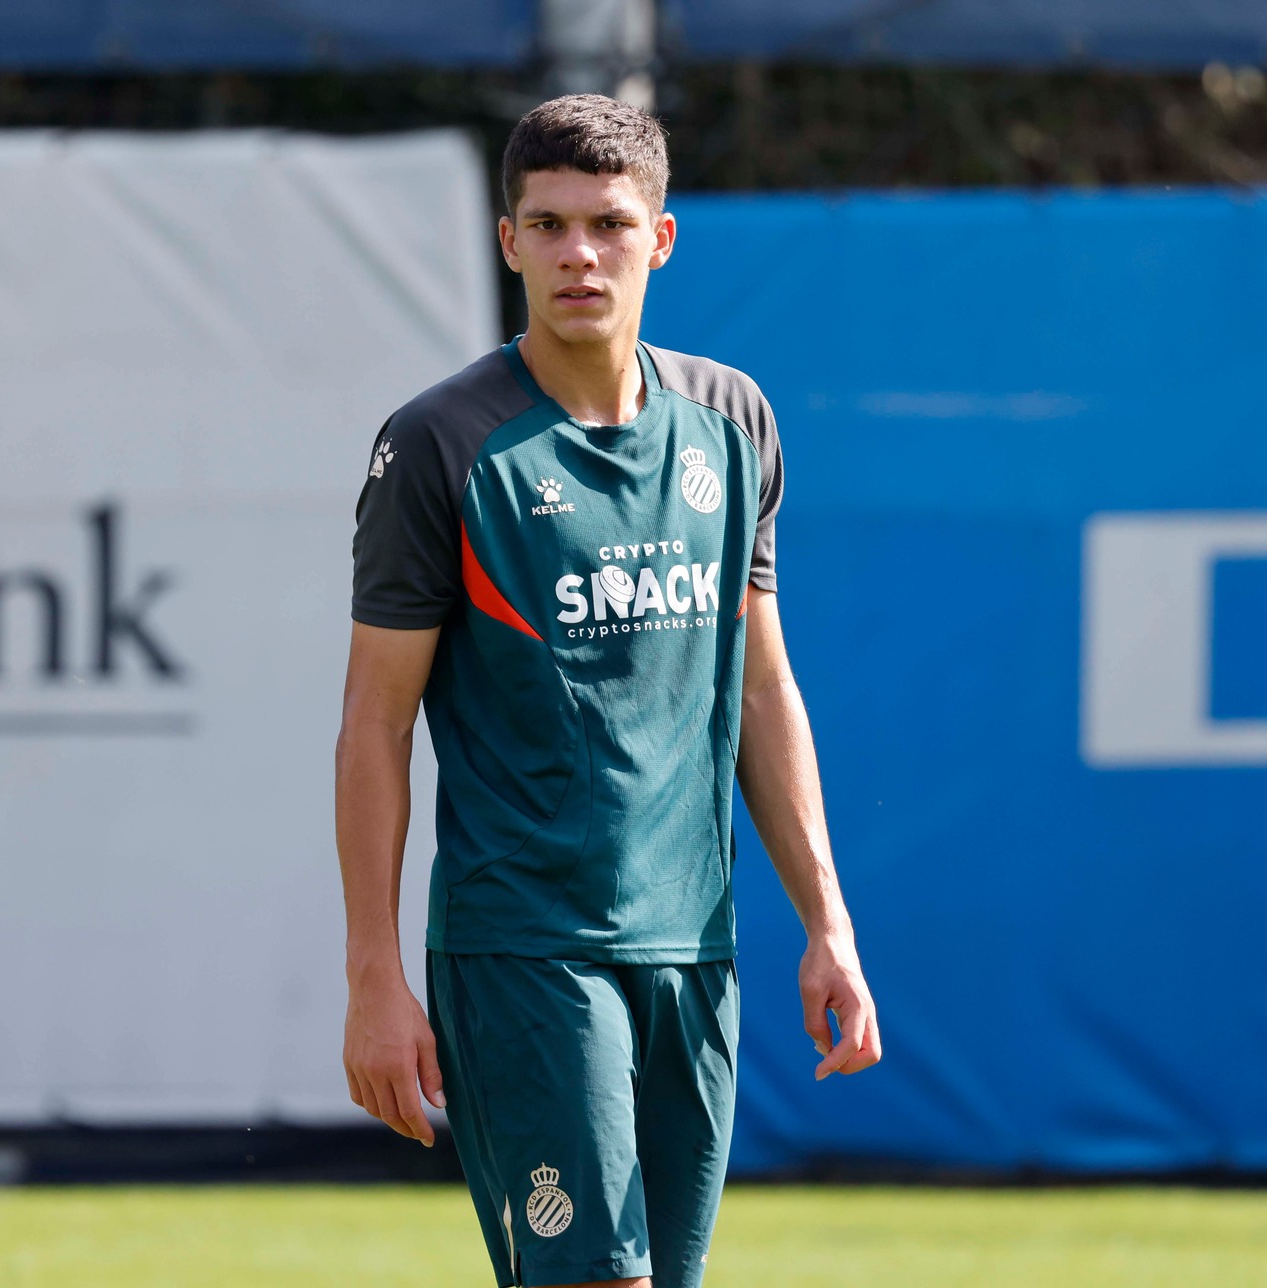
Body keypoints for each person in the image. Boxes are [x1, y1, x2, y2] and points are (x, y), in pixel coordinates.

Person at [336, 93, 881, 1288]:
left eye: (607, 224)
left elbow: (760, 686)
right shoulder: (439, 444)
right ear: (508, 242)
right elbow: (374, 723)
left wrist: (825, 922)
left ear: (660, 239)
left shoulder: (732, 422)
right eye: (548, 224)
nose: (579, 253)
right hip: (523, 942)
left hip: (694, 943)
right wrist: (374, 974)